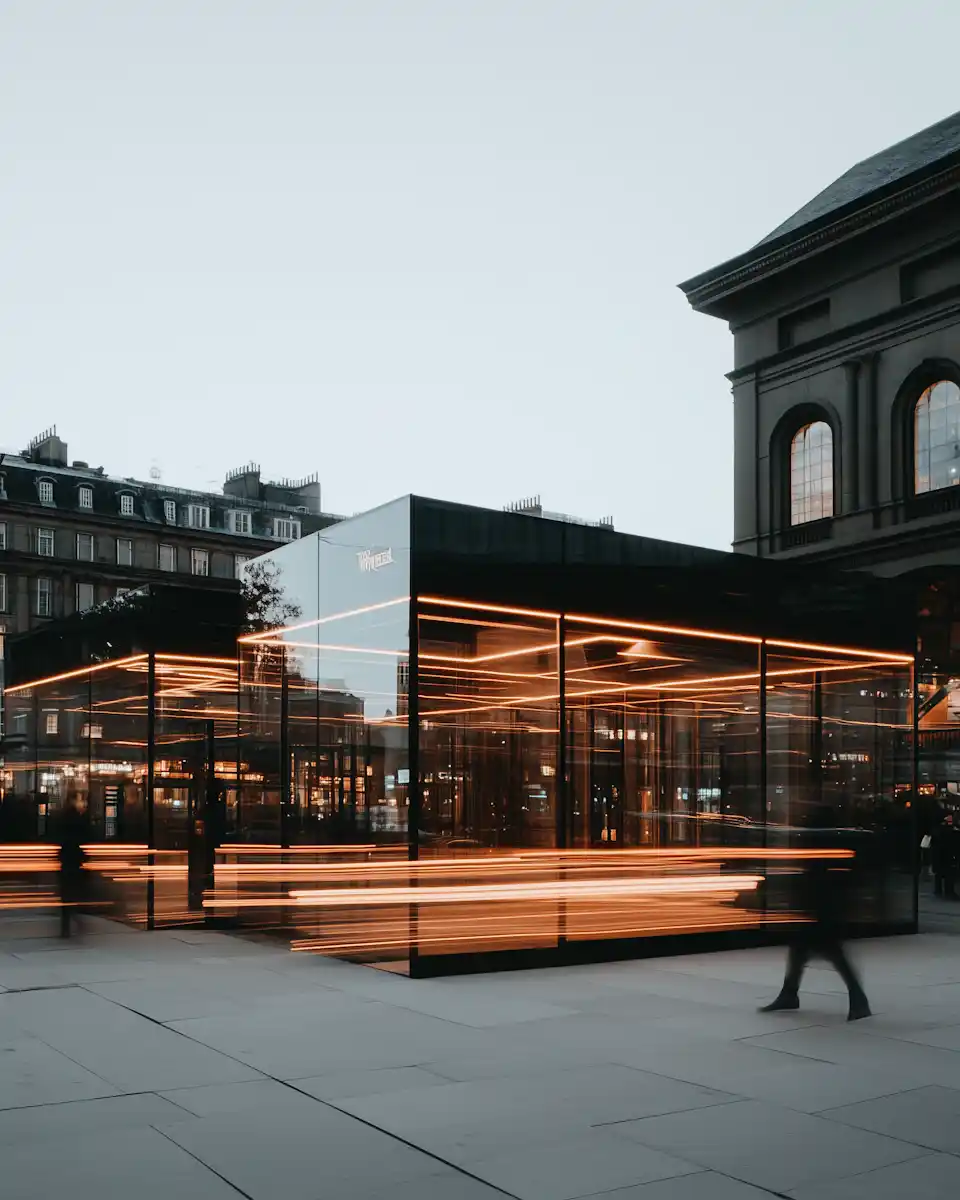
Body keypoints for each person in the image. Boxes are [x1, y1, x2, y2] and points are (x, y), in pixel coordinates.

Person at [759, 803, 871, 1021]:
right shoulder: (833, 841)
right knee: (803, 949)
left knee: (829, 951)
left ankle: (857, 999)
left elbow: (826, 875)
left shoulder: (826, 844)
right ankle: (790, 993)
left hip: (823, 904)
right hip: (821, 903)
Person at [58, 795, 89, 938]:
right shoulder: (80, 820)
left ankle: (65, 926)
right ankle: (77, 918)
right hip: (76, 861)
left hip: (65, 862)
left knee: (66, 894)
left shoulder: (61, 821)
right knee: (76, 891)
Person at [931, 814, 959, 899]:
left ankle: (939, 890)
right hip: (947, 853)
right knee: (949, 873)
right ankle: (948, 891)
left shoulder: (937, 830)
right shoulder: (950, 831)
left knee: (939, 873)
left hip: (940, 854)